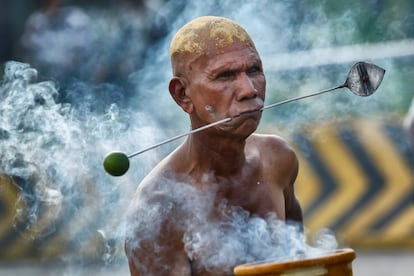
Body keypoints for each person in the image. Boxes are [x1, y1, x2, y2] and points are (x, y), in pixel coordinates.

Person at [125, 16, 303, 275]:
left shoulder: (277, 160)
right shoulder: (160, 207)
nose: (249, 90)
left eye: (254, 70)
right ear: (182, 95)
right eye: (225, 76)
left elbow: (301, 263)